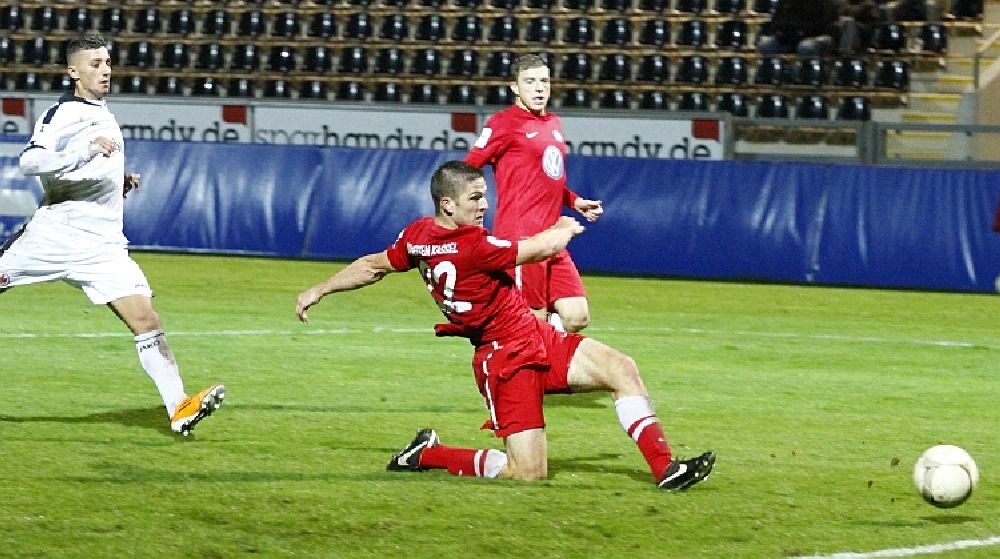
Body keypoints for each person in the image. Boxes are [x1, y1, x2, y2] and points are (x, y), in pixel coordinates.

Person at [295, 161, 715, 490]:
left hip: (534, 334)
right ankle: (427, 454)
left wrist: (320, 288)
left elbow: (373, 265)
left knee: (621, 368)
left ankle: (666, 469)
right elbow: (539, 249)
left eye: (484, 196)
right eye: (475, 198)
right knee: (527, 473)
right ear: (448, 205)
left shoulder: (418, 236)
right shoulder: (474, 245)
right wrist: (564, 225)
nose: (484, 206)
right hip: (504, 360)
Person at [0, 33, 224, 436]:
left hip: (102, 247)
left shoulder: (102, 111)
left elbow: (89, 168)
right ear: (73, 71)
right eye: (95, 64)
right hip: (54, 237)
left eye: (107, 62)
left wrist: (115, 180)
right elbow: (30, 162)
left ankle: (179, 408)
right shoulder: (63, 113)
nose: (105, 70)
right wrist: (83, 152)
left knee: (146, 319)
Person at [464, 54, 604, 334]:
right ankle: (519, 343)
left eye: (544, 81)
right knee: (533, 317)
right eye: (530, 82)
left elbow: (548, 178)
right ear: (515, 87)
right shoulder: (503, 123)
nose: (539, 88)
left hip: (553, 235)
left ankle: (526, 333)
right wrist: (473, 202)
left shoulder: (553, 123)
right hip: (522, 238)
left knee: (577, 317)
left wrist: (575, 201)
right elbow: (469, 166)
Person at [757, 0, 841, 56]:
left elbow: (820, 25)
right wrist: (779, 31)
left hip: (819, 36)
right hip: (792, 37)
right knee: (765, 46)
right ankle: (781, 74)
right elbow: (776, 21)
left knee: (806, 47)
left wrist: (799, 32)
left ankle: (807, 76)